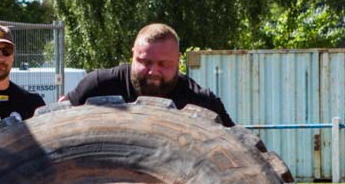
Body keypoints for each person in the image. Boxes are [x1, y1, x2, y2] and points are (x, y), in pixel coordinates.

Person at [64, 22, 234, 125]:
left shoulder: (201, 101)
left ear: (178, 60)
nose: (153, 71)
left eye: (164, 64)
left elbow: (241, 149)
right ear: (132, 55)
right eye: (145, 62)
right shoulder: (99, 85)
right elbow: (55, 121)